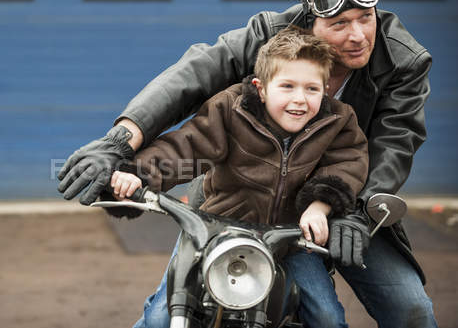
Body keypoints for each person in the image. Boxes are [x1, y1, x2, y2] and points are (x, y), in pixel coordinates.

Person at [57, 0, 438, 327]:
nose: (358, 36)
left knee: (409, 309)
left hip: (344, 199)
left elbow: (393, 145)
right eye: (339, 24)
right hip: (233, 209)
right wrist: (123, 147)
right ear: (309, 24)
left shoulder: (401, 62)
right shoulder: (268, 44)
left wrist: (355, 210)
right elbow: (192, 85)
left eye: (366, 18)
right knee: (167, 311)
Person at [110, 26, 368, 327]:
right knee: (159, 319)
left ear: (325, 90)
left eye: (311, 89)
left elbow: (347, 162)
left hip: (289, 239)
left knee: (327, 317)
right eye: (287, 86)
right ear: (261, 87)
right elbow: (186, 147)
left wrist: (320, 205)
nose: (300, 99)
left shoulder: (338, 120)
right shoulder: (231, 109)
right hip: (214, 231)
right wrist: (139, 175)